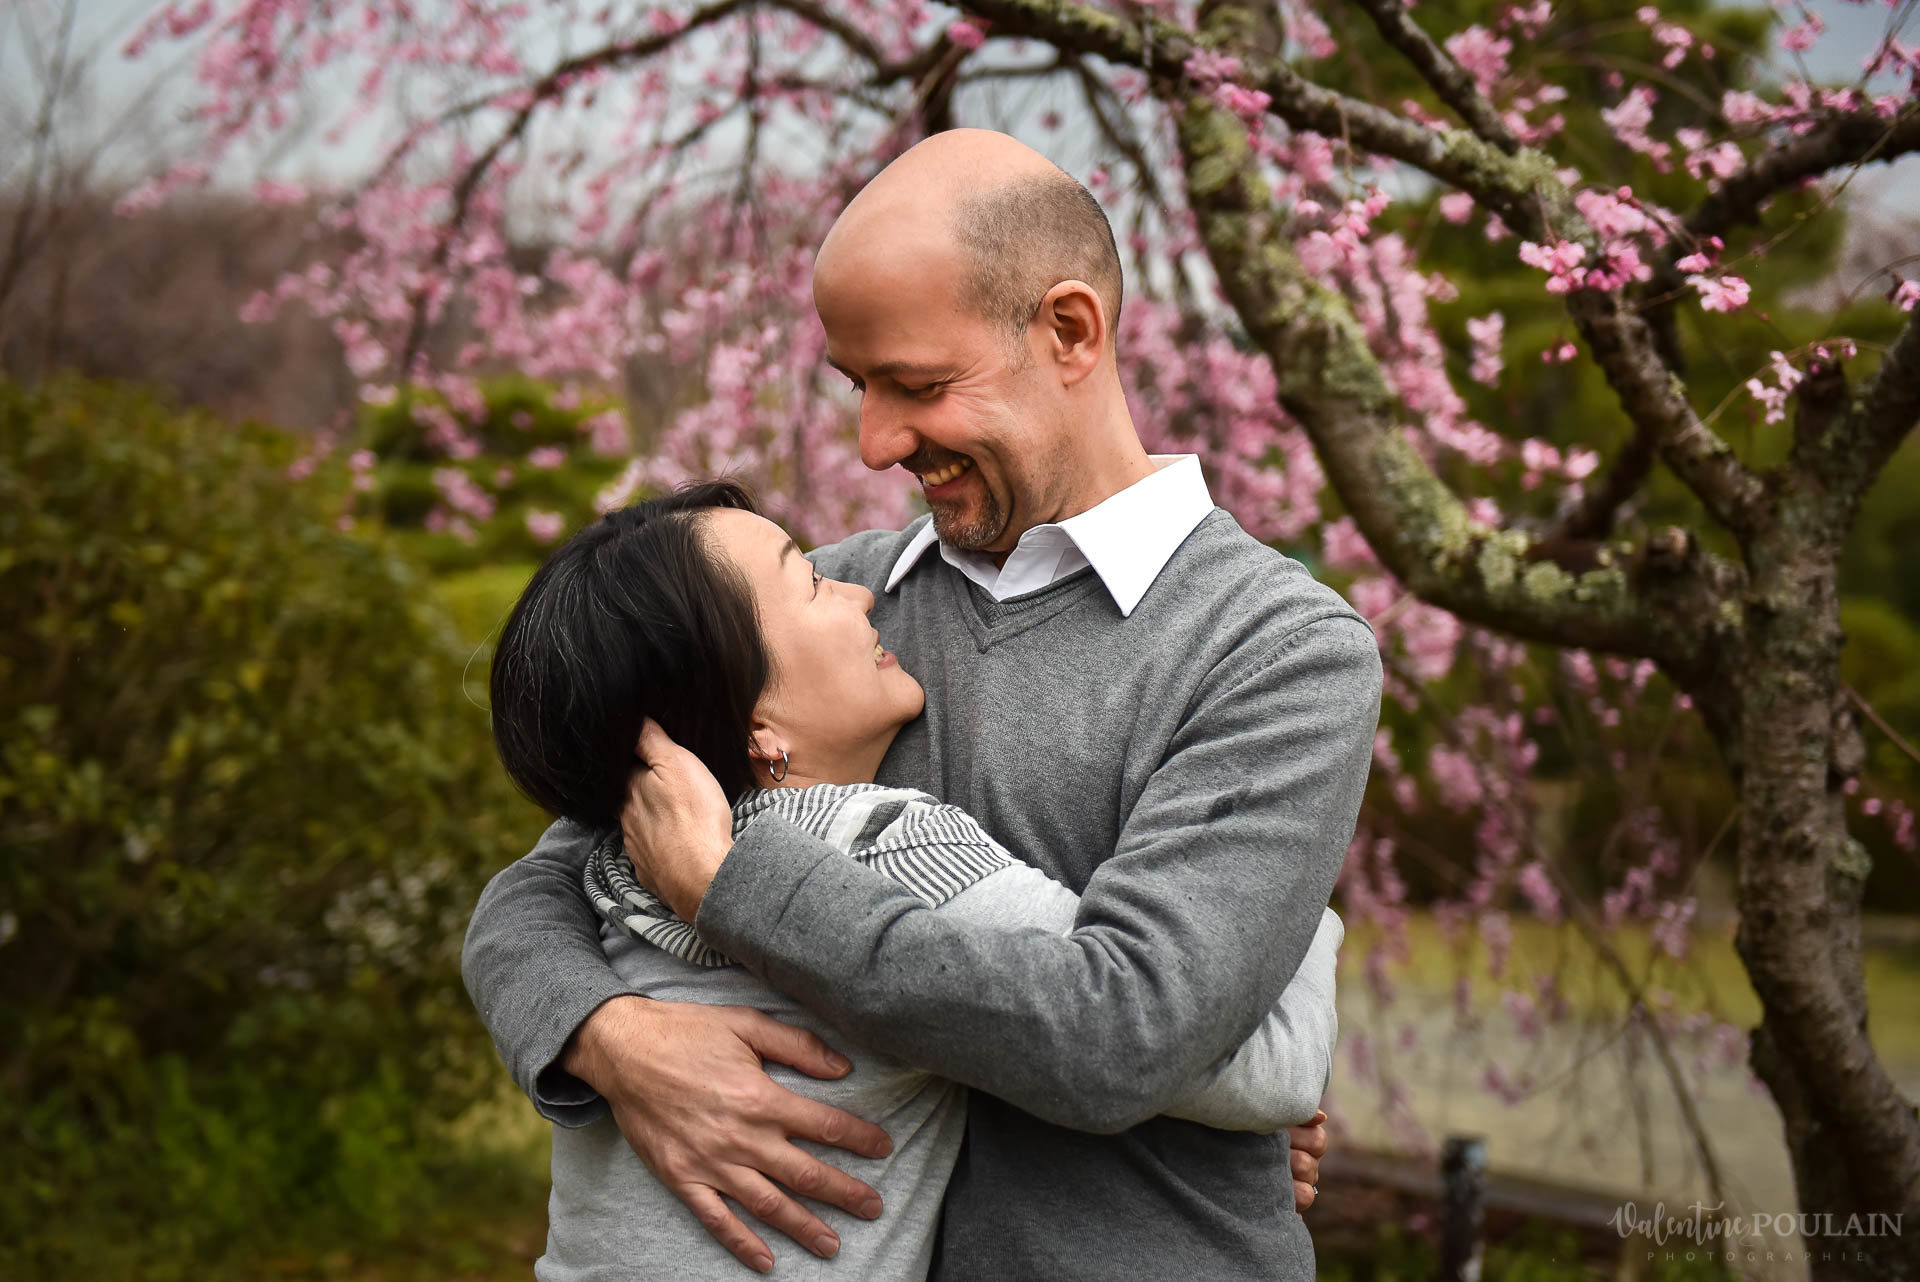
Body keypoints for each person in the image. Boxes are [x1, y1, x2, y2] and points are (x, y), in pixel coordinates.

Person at [463, 128, 1382, 1281]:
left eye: (919, 385)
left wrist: (740, 892)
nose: (875, 441)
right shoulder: (831, 614)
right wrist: (613, 1036)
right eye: (858, 387)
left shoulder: (1275, 650)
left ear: (1069, 331)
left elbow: (1131, 1036)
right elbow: (546, 882)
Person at [487, 479, 1344, 1280]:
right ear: (758, 730)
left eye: (918, 381)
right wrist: (1293, 911)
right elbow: (1256, 1066)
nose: (859, 593)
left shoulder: (626, 866)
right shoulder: (888, 841)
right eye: (813, 586)